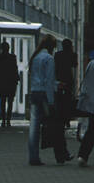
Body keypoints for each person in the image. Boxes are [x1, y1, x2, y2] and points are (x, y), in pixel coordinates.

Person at [27, 34, 71, 165]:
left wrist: (57, 84)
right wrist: (51, 101)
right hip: (44, 95)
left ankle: (33, 157)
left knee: (34, 128)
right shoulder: (49, 58)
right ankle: (61, 153)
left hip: (34, 92)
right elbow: (48, 80)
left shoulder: (35, 57)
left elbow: (38, 78)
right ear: (52, 47)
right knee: (55, 123)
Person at [54, 37, 77, 142]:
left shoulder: (57, 55)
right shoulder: (73, 55)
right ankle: (67, 119)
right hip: (68, 80)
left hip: (59, 79)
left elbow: (55, 67)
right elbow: (74, 66)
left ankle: (60, 118)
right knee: (68, 100)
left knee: (59, 100)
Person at [0, 42, 19, 127]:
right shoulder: (13, 57)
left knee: (3, 101)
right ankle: (8, 120)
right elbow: (15, 69)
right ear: (9, 48)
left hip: (3, 82)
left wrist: (0, 78)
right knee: (10, 101)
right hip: (11, 82)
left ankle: (3, 120)